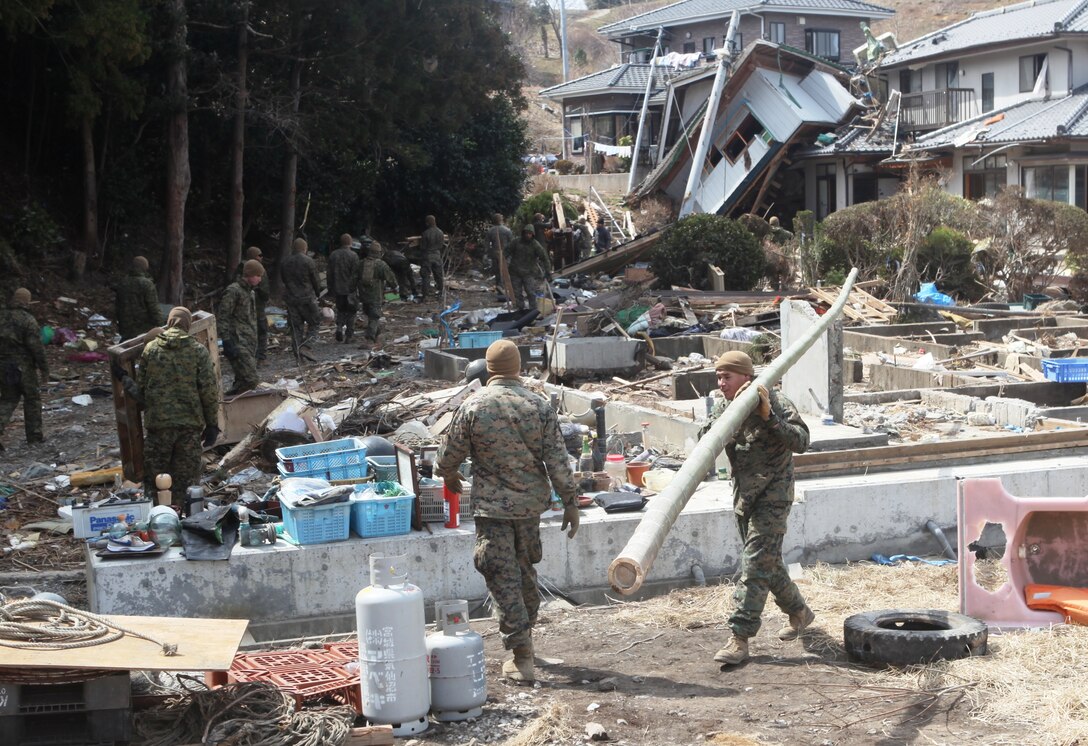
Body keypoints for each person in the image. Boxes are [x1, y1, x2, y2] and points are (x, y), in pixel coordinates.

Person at [434, 339, 579, 683]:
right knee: (525, 571)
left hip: (493, 510)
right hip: (530, 508)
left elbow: (447, 456)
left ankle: (521, 654)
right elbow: (558, 460)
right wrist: (570, 502)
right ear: (518, 367)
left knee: (502, 578)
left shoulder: (473, 405)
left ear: (488, 368)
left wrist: (450, 474)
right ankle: (525, 642)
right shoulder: (539, 405)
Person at [701, 351, 814, 666]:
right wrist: (725, 420)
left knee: (753, 565)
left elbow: (802, 441)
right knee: (768, 564)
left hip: (773, 497)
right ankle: (799, 611)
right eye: (718, 377)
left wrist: (769, 418)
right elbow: (704, 439)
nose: (721, 383)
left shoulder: (775, 401)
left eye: (727, 377)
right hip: (745, 497)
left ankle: (739, 637)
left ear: (745, 376)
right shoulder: (725, 405)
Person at [117, 307, 219, 506]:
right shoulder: (198, 351)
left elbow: (141, 393)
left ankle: (157, 516)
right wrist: (212, 425)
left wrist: (124, 379)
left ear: (170, 322)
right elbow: (208, 391)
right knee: (186, 481)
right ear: (188, 324)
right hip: (189, 427)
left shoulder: (151, 349)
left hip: (158, 427)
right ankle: (184, 516)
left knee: (155, 479)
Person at [0, 288, 48, 448]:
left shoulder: (1, 316)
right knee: (32, 399)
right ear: (27, 302)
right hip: (23, 366)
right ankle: (34, 437)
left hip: (4, 365)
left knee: (8, 399)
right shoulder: (27, 320)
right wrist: (44, 368)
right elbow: (36, 348)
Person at [219, 259, 263, 395]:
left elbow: (250, 319)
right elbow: (223, 316)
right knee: (251, 380)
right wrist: (226, 340)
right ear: (249, 274)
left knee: (242, 381)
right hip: (237, 341)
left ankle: (232, 402)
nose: (260, 279)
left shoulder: (250, 292)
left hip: (249, 342)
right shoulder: (233, 291)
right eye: (258, 275)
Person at [280, 237, 323, 353]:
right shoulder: (309, 261)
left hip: (291, 299)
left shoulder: (284, 262)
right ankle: (306, 346)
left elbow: (284, 279)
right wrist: (318, 293)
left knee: (296, 328)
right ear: (305, 248)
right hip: (307, 298)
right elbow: (316, 281)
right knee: (315, 323)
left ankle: (298, 354)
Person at [354, 242, 398, 347]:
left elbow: (354, 278)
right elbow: (390, 277)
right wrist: (395, 288)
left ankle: (377, 333)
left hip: (363, 294)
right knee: (374, 316)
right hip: (376, 295)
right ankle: (370, 339)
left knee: (370, 314)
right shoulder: (381, 264)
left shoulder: (361, 263)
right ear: (379, 253)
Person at [115, 256, 163, 341]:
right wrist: (160, 325)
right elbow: (153, 307)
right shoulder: (147, 284)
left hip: (125, 326)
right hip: (143, 327)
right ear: (145, 268)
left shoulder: (123, 283)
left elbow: (118, 306)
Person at [235, 247, 270, 361]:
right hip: (257, 308)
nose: (261, 257)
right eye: (259, 255)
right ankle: (261, 357)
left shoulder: (240, 268)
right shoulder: (259, 270)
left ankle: (246, 357)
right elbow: (265, 293)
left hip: (241, 308)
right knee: (262, 331)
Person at [506, 226, 551, 311]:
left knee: (530, 292)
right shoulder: (516, 242)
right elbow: (506, 251)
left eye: (530, 233)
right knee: (517, 293)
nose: (527, 235)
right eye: (526, 233)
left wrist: (548, 271)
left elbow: (544, 258)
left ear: (533, 234)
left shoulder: (535, 245)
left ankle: (532, 310)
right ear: (523, 233)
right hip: (515, 271)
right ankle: (520, 310)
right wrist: (502, 262)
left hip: (529, 273)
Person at [328, 233, 361, 342]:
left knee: (340, 309)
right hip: (350, 290)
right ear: (350, 243)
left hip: (338, 289)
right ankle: (349, 336)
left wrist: (330, 288)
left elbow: (329, 273)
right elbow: (356, 274)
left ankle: (339, 327)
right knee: (352, 311)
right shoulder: (354, 256)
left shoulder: (333, 255)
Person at [419, 215, 445, 301]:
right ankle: (441, 293)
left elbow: (423, 247)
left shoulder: (426, 233)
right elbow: (441, 245)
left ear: (427, 223)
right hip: (437, 255)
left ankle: (425, 296)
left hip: (428, 256)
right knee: (439, 275)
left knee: (426, 276)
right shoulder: (441, 232)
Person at [486, 213, 514, 290]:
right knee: (505, 270)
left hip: (495, 253)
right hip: (506, 254)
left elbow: (487, 245)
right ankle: (504, 287)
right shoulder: (507, 230)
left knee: (497, 271)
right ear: (501, 220)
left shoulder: (490, 231)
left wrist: (489, 254)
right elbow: (512, 243)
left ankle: (499, 285)